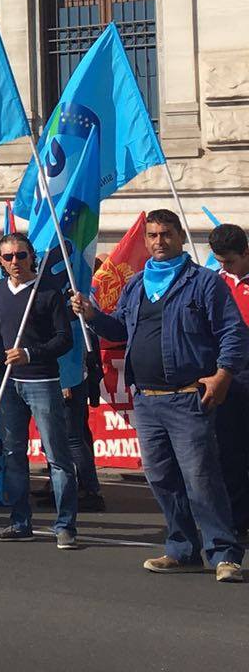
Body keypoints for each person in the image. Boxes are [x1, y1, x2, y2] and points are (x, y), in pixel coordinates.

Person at [73, 210, 249, 579]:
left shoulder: (203, 282)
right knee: (163, 479)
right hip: (148, 400)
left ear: (181, 237)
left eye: (165, 234)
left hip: (189, 397)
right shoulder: (137, 285)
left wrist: (222, 375)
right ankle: (181, 548)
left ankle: (224, 554)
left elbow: (233, 333)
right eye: (152, 235)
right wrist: (92, 314)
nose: (157, 241)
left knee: (202, 479)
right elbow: (120, 327)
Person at [0, 233, 79, 547]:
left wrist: (30, 353)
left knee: (56, 455)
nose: (15, 262)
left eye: (20, 255)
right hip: (9, 383)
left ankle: (66, 525)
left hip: (42, 381)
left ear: (31, 256)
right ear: (0, 262)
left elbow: (64, 339)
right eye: (8, 257)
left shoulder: (48, 291)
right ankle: (19, 522)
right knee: (13, 453)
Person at [210, 222, 249, 537]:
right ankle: (237, 520)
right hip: (228, 377)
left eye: (230, 261)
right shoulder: (214, 283)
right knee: (230, 452)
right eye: (219, 261)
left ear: (245, 253)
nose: (224, 266)